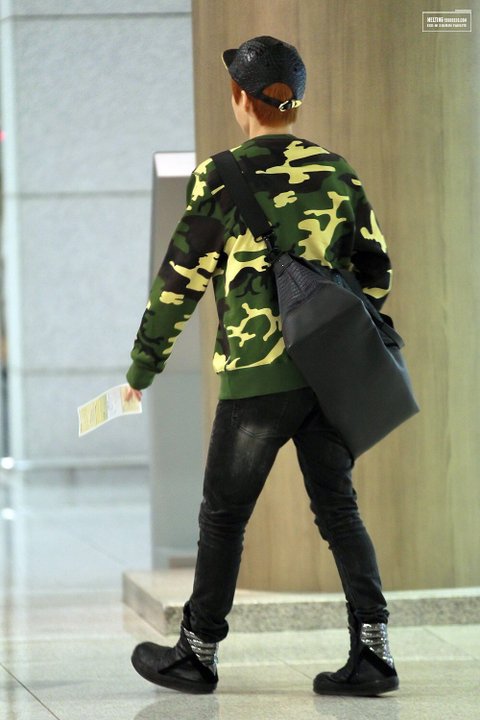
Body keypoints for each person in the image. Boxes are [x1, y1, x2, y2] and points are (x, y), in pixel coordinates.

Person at [125, 35, 398, 697]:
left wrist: (142, 369)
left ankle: (197, 653)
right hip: (328, 376)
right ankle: (374, 652)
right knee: (339, 510)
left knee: (224, 516)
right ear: (295, 101)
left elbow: (179, 282)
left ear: (240, 97)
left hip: (257, 374)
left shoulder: (220, 176)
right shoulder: (337, 171)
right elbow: (377, 272)